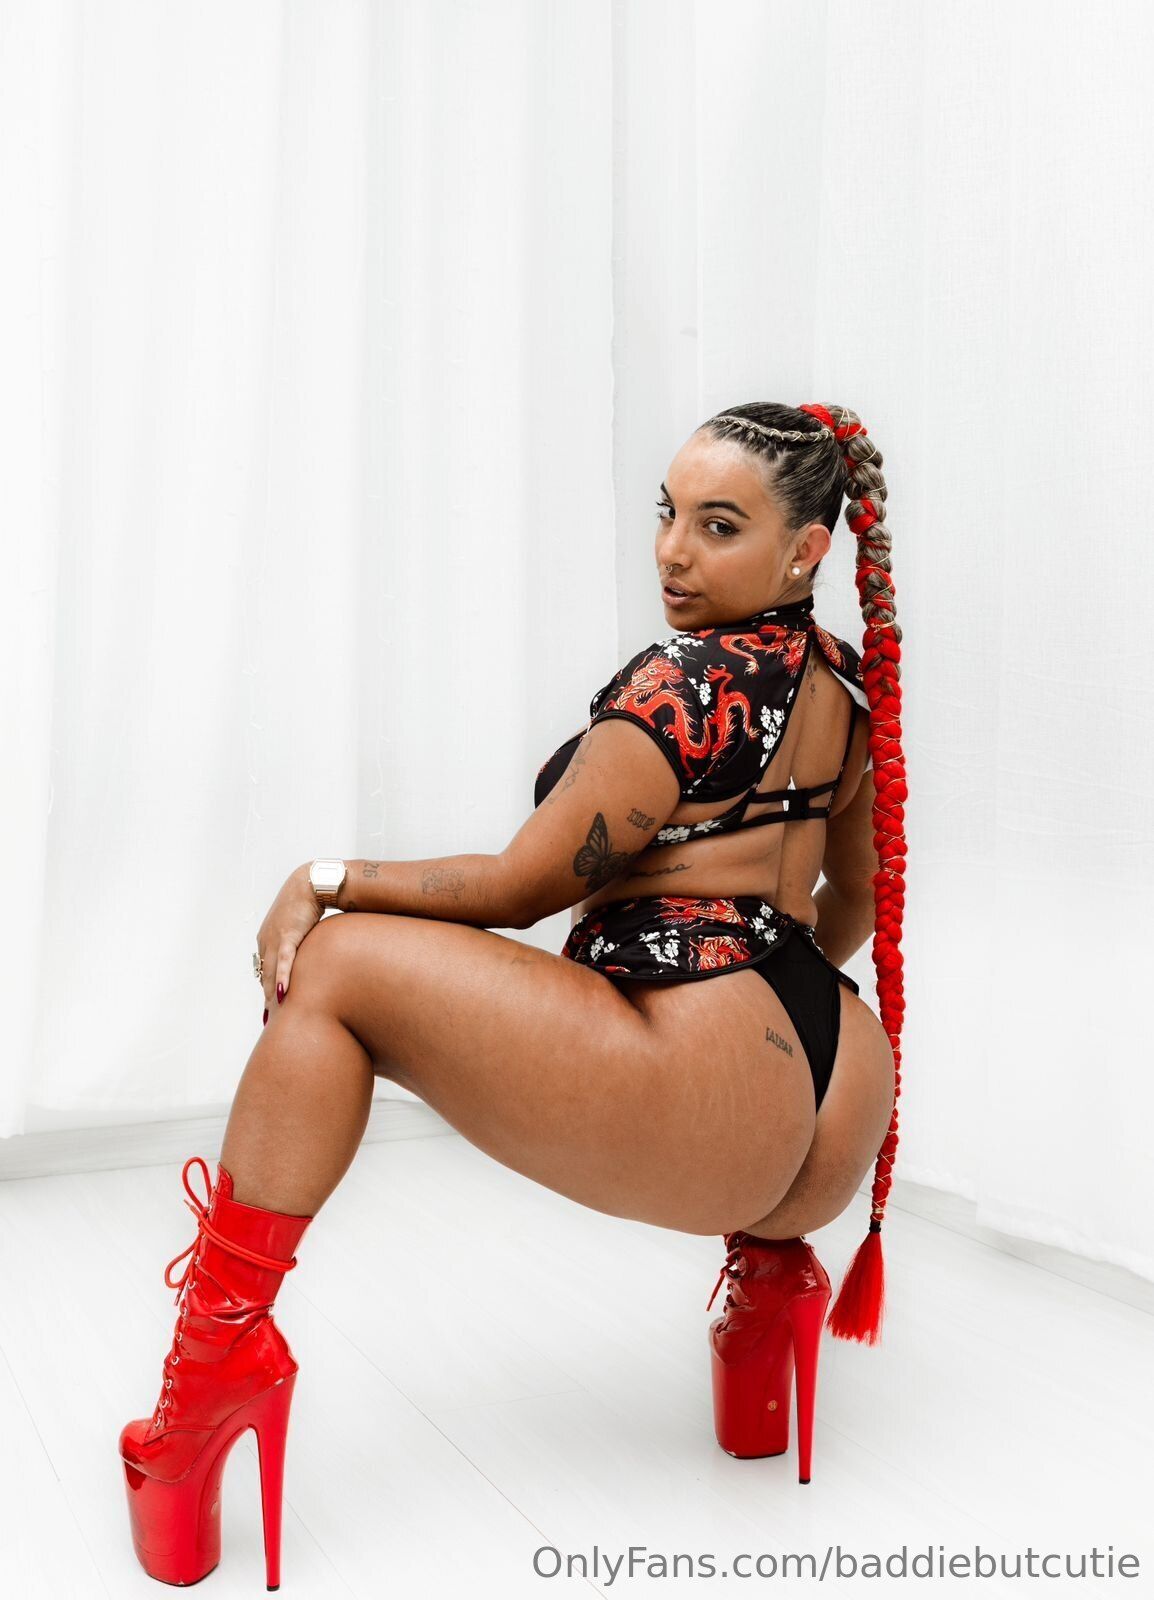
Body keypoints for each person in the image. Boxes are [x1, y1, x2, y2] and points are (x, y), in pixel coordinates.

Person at [118, 401, 905, 1587]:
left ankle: (210, 1370)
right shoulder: (844, 686)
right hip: (837, 1097)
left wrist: (323, 878)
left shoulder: (681, 684)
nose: (672, 551)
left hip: (708, 1099)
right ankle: (768, 1285)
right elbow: (852, 900)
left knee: (334, 964)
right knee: (376, 961)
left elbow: (520, 887)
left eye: (718, 525)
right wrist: (767, 1021)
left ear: (804, 549)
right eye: (667, 513)